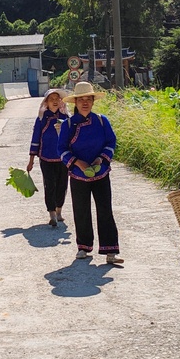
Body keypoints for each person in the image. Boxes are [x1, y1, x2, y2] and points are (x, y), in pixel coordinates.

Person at [58, 81, 122, 266]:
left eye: (88, 99)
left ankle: (110, 251)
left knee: (105, 210)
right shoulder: (68, 124)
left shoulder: (102, 121)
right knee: (81, 211)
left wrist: (100, 159)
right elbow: (61, 150)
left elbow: (111, 142)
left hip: (101, 172)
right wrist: (78, 162)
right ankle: (83, 247)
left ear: (93, 101)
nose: (85, 103)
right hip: (78, 174)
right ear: (75, 103)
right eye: (81, 100)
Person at [27, 88, 69, 227]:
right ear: (46, 102)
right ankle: (52, 213)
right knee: (49, 185)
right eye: (52, 99)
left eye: (57, 99)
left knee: (62, 185)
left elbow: (73, 136)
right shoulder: (42, 118)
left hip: (63, 158)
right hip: (46, 157)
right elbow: (36, 136)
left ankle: (59, 211)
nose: (55, 101)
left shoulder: (65, 117)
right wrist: (31, 159)